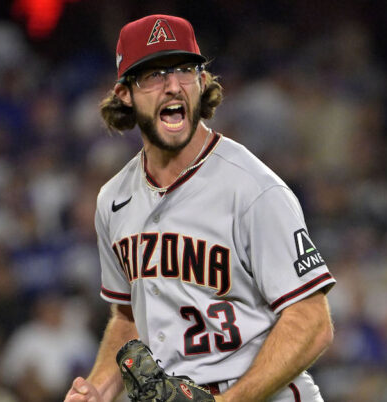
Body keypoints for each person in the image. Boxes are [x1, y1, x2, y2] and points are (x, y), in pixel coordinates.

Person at [64, 14, 336, 402]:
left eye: (184, 70)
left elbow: (312, 319)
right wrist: (98, 390)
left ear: (203, 82)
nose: (173, 86)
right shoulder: (113, 200)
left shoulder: (252, 188)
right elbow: (129, 318)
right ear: (124, 93)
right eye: (153, 75)